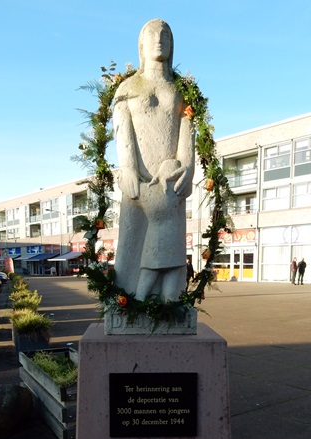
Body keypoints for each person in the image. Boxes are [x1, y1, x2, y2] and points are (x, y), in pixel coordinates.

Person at [112, 19, 195, 302]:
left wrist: (188, 166)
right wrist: (128, 167)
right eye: (152, 35)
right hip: (138, 182)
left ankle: (167, 303)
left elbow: (188, 129)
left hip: (171, 183)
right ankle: (126, 303)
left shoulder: (181, 89)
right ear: (142, 44)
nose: (159, 39)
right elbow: (122, 129)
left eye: (166, 35)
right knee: (130, 243)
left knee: (170, 247)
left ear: (173, 44)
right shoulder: (129, 87)